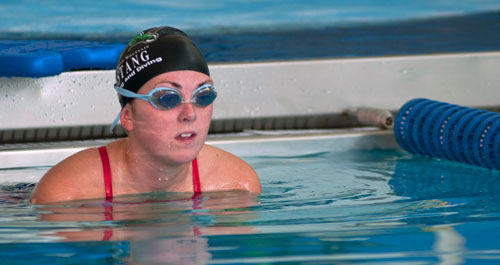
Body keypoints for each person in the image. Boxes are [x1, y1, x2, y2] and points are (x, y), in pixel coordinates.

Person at [30, 26, 261, 204]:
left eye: (203, 96)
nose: (190, 114)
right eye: (167, 98)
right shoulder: (67, 194)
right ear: (128, 116)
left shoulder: (237, 186)